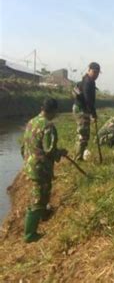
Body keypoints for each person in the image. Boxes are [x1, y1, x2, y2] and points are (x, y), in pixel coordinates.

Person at [20, 98, 68, 243]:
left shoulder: (31, 122)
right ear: (54, 111)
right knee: (38, 198)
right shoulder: (48, 126)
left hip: (30, 165)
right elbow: (49, 150)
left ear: (42, 108)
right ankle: (30, 234)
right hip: (40, 168)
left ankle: (43, 214)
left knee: (42, 193)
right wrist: (61, 153)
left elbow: (23, 147)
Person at [72, 62, 100, 160]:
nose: (96, 75)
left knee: (83, 133)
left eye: (97, 73)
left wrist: (92, 113)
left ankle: (78, 155)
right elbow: (88, 101)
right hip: (81, 109)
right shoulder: (88, 82)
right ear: (88, 70)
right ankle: (78, 158)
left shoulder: (90, 81)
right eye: (94, 72)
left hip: (81, 108)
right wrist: (94, 114)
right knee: (83, 134)